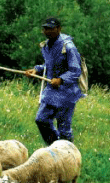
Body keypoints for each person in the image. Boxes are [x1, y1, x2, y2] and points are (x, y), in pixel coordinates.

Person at [24, 16, 85, 145]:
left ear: (58, 29)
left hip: (67, 92)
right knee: (41, 120)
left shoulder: (68, 47)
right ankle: (54, 147)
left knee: (64, 130)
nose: (48, 32)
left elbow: (75, 70)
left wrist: (61, 80)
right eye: (45, 29)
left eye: (51, 29)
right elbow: (50, 66)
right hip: (51, 91)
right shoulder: (46, 46)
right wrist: (37, 70)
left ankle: (69, 155)